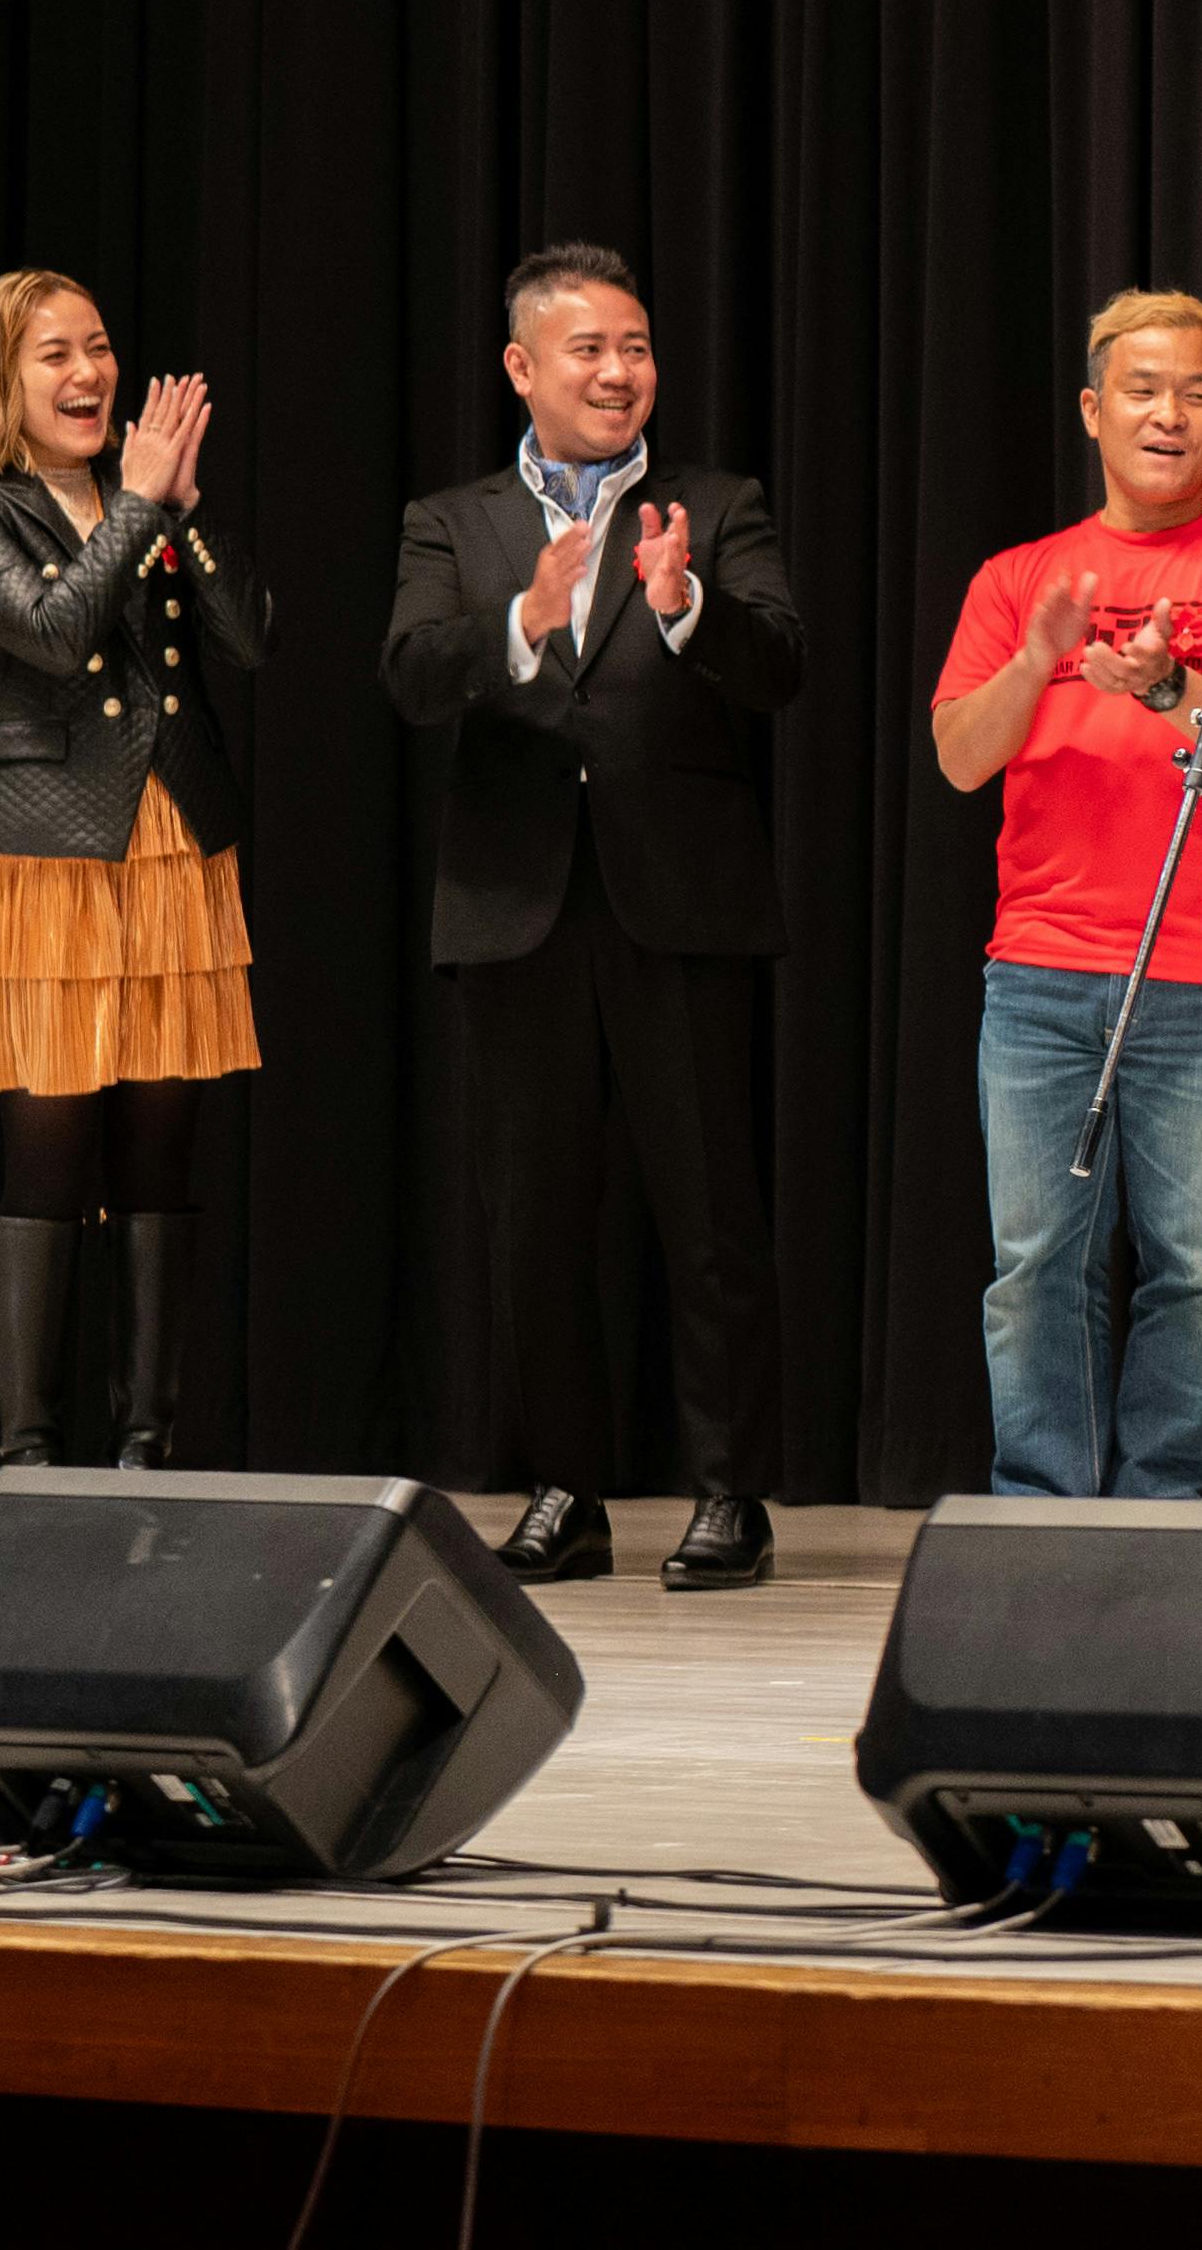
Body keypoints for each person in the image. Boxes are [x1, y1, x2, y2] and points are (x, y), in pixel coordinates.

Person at [378, 243, 808, 1592]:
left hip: (679, 899)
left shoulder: (716, 505)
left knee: (710, 1211)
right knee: (535, 1219)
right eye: (590, 350)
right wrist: (520, 619)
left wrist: (684, 607)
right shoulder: (451, 521)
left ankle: (730, 1491)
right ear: (522, 367)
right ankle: (567, 1487)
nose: (620, 372)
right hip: (517, 906)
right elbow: (411, 674)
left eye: (636, 347)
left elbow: (781, 667)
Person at [933, 289, 1202, 1501]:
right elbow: (960, 756)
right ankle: (1045, 1512)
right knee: (1033, 1268)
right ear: (1092, 409)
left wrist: (1172, 687)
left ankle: (1167, 1515)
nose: (1171, 415)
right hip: (1042, 972)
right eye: (1145, 391)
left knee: (1198, 1271)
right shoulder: (1018, 577)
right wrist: (1036, 655)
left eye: (1198, 395)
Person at [0, 270, 266, 1469]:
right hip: (48, 855)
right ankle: (28, 1450)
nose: (88, 373)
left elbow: (251, 635)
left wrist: (181, 510)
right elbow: (56, 634)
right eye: (55, 354)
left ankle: (146, 1443)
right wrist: (139, 505)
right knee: (48, 1157)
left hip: (174, 843)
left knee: (160, 1153)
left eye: (99, 347)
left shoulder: (146, 492)